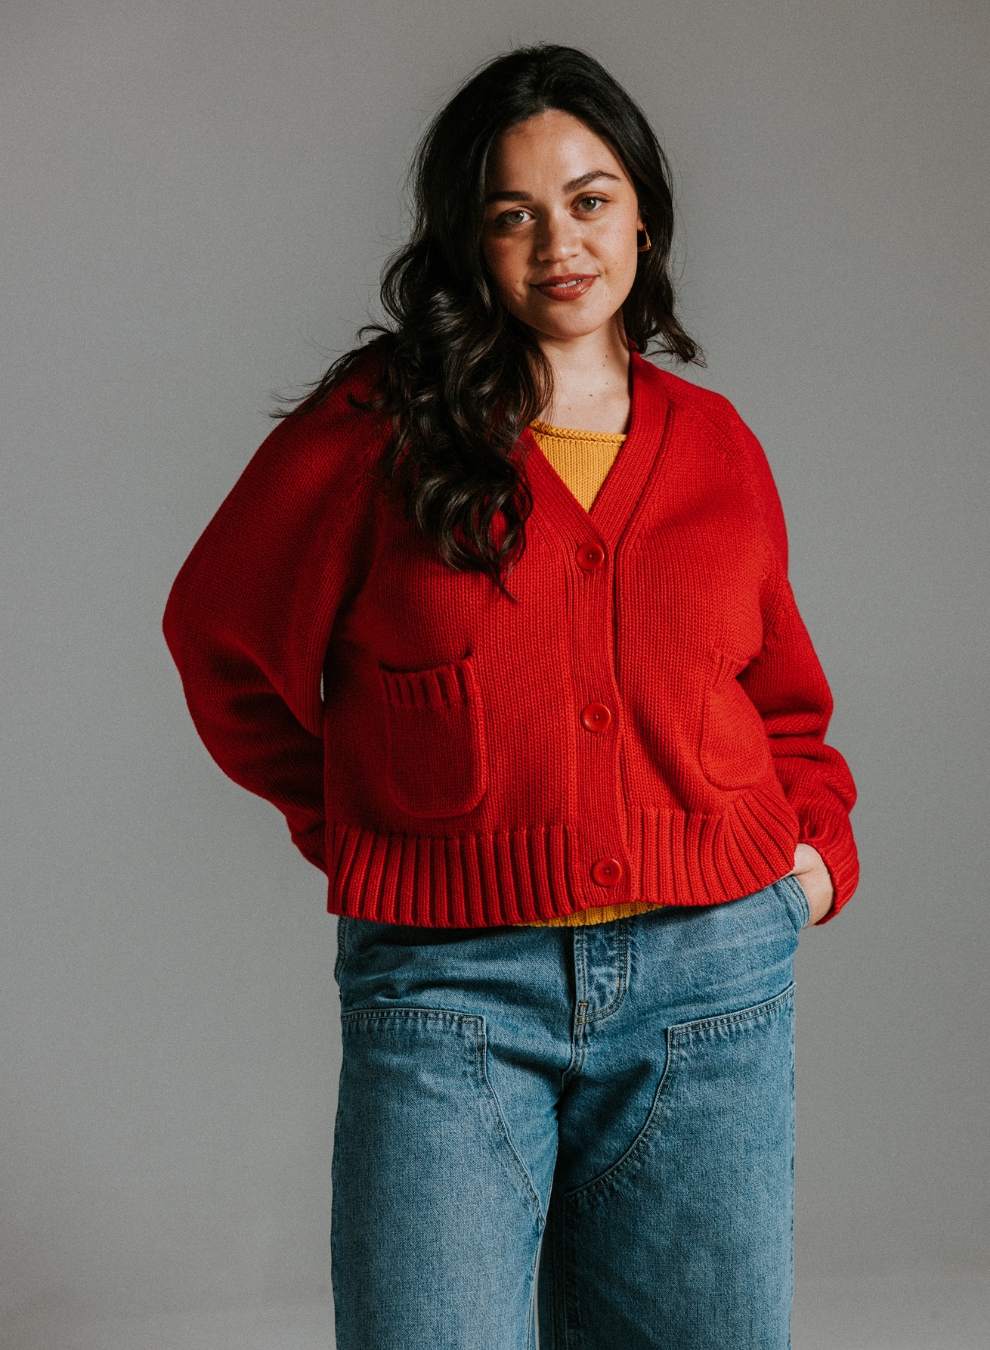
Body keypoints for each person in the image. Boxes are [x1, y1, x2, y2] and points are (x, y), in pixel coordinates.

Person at [163, 43, 858, 1350]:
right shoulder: (375, 426)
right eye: (512, 212)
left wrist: (813, 853)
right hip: (452, 989)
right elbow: (217, 636)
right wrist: (358, 819)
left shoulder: (714, 446)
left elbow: (780, 697)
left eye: (589, 200)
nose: (560, 244)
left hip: (711, 982)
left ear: (641, 213)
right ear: (465, 239)